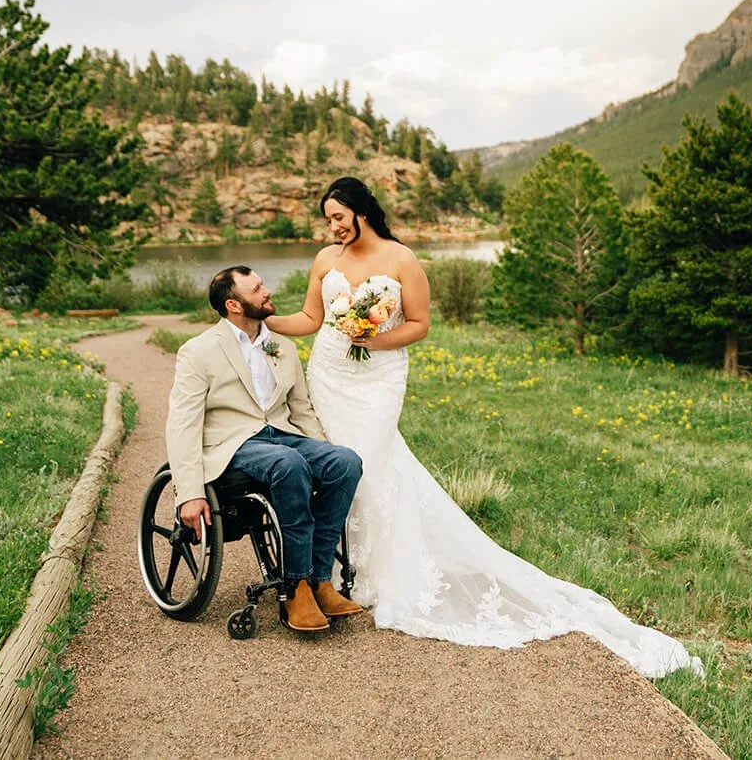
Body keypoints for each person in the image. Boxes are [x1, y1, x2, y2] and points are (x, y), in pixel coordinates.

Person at [267, 177, 702, 678]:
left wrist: (371, 337)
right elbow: (310, 317)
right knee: (338, 462)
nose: (332, 227)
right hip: (329, 373)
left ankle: (372, 570)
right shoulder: (326, 260)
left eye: (338, 217)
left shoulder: (402, 259)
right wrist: (264, 321)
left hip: (378, 377)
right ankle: (332, 572)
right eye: (328, 220)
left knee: (373, 459)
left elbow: (419, 324)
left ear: (361, 211)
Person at [166, 265, 364, 632]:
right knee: (287, 463)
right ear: (233, 305)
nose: (266, 291)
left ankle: (320, 579)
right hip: (233, 445)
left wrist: (321, 453)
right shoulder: (198, 352)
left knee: (345, 462)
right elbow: (183, 424)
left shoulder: (281, 346)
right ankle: (296, 586)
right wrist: (189, 494)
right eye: (257, 289)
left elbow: (300, 409)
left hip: (282, 434)